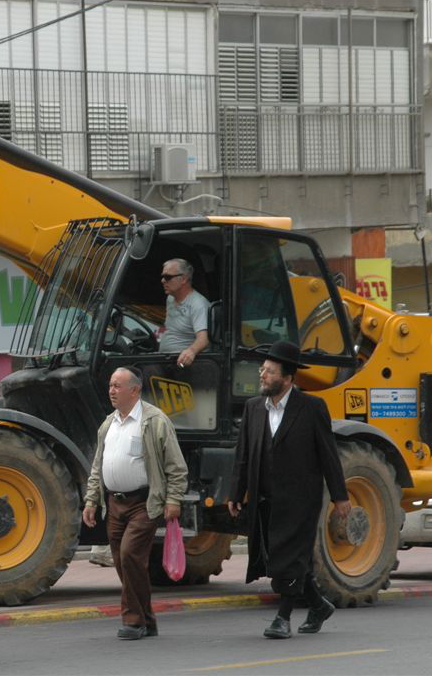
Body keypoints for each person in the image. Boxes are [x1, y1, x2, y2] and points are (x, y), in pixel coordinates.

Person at [227, 340, 351, 640]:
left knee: (288, 559)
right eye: (262, 370)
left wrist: (340, 496)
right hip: (265, 498)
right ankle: (318, 606)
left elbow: (328, 455)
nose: (262, 375)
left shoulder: (311, 408)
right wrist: (236, 491)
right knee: (280, 558)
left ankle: (282, 617)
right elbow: (243, 454)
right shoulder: (254, 407)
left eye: (269, 371)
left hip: (300, 500)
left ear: (287, 378)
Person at [82, 367, 188, 640]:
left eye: (117, 385)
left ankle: (133, 621)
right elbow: (97, 466)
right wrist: (91, 499)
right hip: (114, 504)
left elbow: (176, 466)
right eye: (110, 385)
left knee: (130, 555)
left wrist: (173, 499)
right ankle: (148, 619)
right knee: (123, 563)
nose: (111, 391)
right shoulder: (108, 424)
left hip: (143, 503)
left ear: (135, 390)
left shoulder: (155, 421)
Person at [157, 258, 210, 367]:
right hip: (165, 359)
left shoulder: (198, 304)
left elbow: (204, 339)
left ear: (184, 279)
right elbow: (171, 328)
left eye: (167, 277)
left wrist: (191, 351)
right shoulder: (170, 299)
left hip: (182, 365)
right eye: (162, 277)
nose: (163, 281)